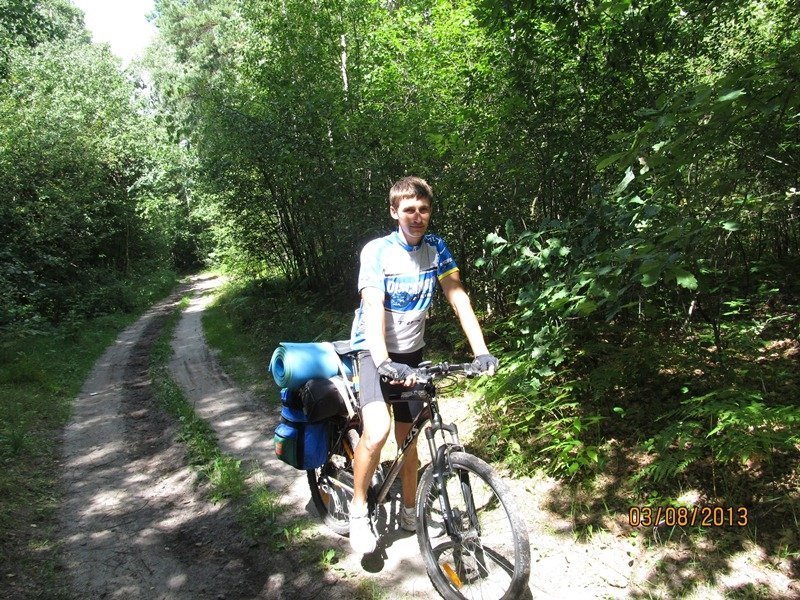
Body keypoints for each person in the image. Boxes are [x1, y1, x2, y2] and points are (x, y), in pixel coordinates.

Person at [347, 175, 498, 554]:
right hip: (373, 351)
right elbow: (372, 307)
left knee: (410, 437)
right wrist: (383, 361)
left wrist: (480, 351)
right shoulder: (377, 251)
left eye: (424, 209)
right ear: (394, 212)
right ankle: (358, 509)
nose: (417, 216)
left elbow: (457, 296)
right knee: (377, 431)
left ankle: (410, 509)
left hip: (411, 354)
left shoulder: (436, 248)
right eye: (409, 209)